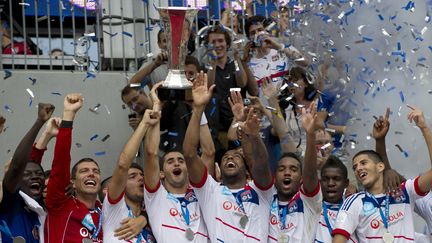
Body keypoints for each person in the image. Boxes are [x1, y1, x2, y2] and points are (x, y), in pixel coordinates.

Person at [183, 71, 274, 242]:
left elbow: (261, 162)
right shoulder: (210, 191)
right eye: (225, 158)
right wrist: (198, 109)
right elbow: (189, 154)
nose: (229, 158)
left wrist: (253, 136)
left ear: (248, 171)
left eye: (235, 157)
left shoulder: (261, 190)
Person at [332, 105, 432, 243]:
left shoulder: (404, 192)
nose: (358, 169)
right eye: (355, 167)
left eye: (363, 163)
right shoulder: (354, 201)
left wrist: (424, 127)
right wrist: (379, 140)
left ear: (380, 167)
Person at [143, 79, 214, 242]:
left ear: (188, 169)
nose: (176, 163)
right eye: (170, 161)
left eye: (181, 161)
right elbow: (151, 153)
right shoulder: (156, 198)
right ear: (161, 174)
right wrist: (157, 106)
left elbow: (209, 153)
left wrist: (198, 108)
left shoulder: (203, 192)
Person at [44, 93, 104, 243]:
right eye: (84, 171)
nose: (91, 174)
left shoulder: (106, 211)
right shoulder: (60, 204)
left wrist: (142, 218)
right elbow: (61, 161)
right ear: (73, 182)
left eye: (96, 171)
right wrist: (69, 115)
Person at [267, 101, 322, 242]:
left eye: (293, 169)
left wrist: (310, 135)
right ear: (274, 177)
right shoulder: (264, 201)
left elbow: (310, 172)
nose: (287, 173)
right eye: (281, 169)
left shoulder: (309, 201)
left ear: (301, 178)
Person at [0, 103, 54, 243]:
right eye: (27, 174)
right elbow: (18, 166)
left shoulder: (43, 211)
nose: (35, 176)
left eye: (39, 173)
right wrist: (39, 122)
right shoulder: (11, 201)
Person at [103, 109, 158, 243]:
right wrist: (144, 124)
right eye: (132, 176)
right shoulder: (114, 207)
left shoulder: (154, 219)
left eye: (141, 175)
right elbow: (123, 164)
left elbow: (152, 154)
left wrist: (144, 218)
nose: (141, 178)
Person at [244, 16, 308, 102]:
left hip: (291, 109)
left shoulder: (284, 49)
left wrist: (278, 47)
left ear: (267, 31)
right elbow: (253, 93)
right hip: (268, 112)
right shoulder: (250, 63)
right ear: (249, 38)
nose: (257, 35)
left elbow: (305, 62)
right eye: (253, 33)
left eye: (260, 30)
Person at [206, 24, 248, 133]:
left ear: (227, 44)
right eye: (213, 42)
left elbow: (242, 83)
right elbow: (208, 87)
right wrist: (213, 62)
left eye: (220, 41)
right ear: (208, 46)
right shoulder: (206, 68)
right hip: (216, 127)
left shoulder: (234, 64)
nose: (217, 45)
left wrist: (237, 57)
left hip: (237, 122)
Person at [314, 156, 358, 242]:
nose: (330, 183)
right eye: (325, 179)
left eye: (336, 179)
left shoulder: (355, 208)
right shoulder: (312, 208)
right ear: (320, 182)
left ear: (346, 183)